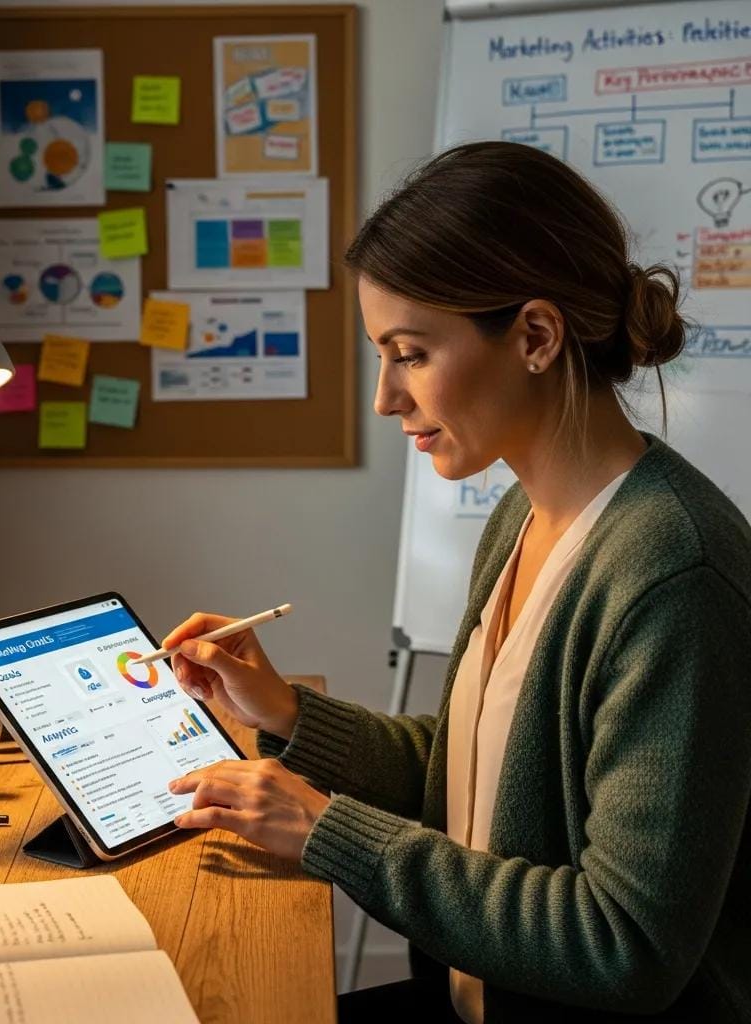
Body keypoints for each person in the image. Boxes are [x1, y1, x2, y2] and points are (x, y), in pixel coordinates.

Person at [160, 142, 751, 1023]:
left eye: (409, 354)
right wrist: (283, 712)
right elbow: (476, 775)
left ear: (537, 337)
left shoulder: (673, 575)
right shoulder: (524, 515)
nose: (386, 399)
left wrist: (327, 831)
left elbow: (623, 944)